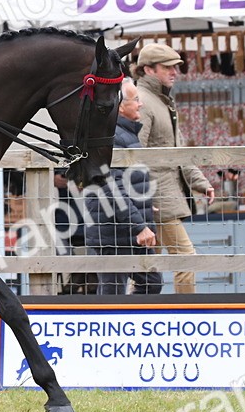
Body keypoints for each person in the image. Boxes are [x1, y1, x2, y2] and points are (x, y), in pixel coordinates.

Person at [134, 43, 215, 294]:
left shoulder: (160, 100)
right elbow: (134, 155)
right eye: (167, 67)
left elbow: (176, 148)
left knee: (147, 268)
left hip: (159, 196)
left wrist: (200, 181)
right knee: (185, 259)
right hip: (158, 197)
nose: (174, 72)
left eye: (175, 67)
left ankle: (137, 315)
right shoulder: (143, 102)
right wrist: (143, 199)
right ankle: (186, 315)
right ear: (148, 69)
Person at [85, 78, 160, 294]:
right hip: (114, 233)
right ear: (119, 106)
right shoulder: (111, 137)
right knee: (112, 296)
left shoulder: (126, 134)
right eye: (136, 99)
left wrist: (143, 202)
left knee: (151, 283)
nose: (141, 104)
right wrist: (139, 225)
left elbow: (126, 182)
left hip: (127, 228)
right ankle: (108, 326)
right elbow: (110, 187)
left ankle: (129, 324)